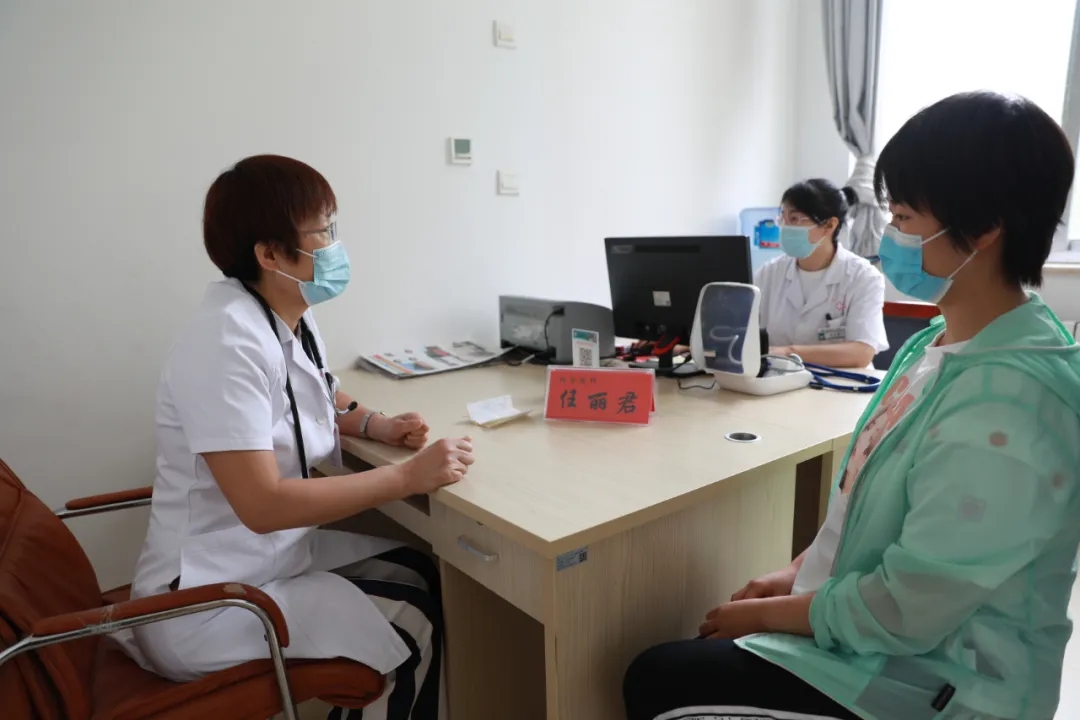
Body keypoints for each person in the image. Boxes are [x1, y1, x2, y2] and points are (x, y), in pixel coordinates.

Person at [624, 91, 1080, 720]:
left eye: (905, 216)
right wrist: (798, 574)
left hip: (942, 688)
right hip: (889, 646)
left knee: (657, 679)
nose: (890, 235)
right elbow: (865, 513)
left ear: (983, 230)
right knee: (672, 667)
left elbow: (905, 611)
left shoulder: (1011, 406)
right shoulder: (938, 343)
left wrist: (771, 615)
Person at [120, 155, 472, 720]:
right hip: (207, 602)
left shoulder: (282, 315)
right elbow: (263, 505)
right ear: (270, 253)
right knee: (412, 618)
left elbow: (315, 390)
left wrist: (375, 425)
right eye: (323, 232)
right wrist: (406, 477)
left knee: (416, 567)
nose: (335, 245)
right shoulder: (225, 343)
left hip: (261, 559)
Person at [756, 178, 888, 368]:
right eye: (782, 218)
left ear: (829, 225)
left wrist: (788, 352)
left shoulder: (863, 277)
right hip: (779, 378)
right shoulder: (769, 273)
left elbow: (861, 352)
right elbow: (742, 333)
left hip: (843, 382)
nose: (785, 227)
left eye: (795, 219)